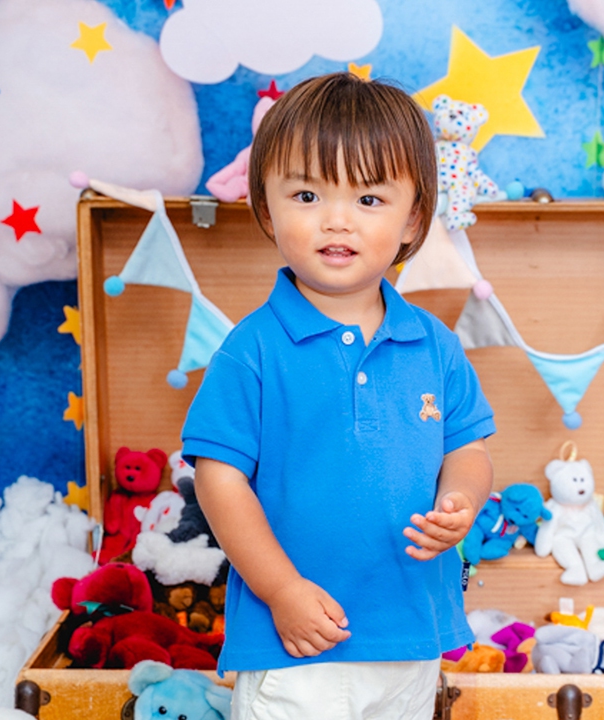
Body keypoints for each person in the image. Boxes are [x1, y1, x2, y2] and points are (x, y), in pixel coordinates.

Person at [181, 72, 496, 720]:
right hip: (295, 640)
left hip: (408, 632)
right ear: (266, 208)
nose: (337, 220)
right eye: (306, 194)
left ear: (413, 218)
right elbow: (218, 479)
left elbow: (467, 448)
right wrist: (281, 589)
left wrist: (460, 501)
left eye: (369, 199)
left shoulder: (434, 345)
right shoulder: (253, 348)